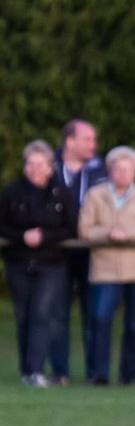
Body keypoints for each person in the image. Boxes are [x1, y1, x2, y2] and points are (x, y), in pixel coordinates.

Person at [78, 146, 135, 385]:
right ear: (110, 170)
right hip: (105, 269)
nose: (123, 174)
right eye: (119, 169)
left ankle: (129, 374)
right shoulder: (95, 196)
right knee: (100, 319)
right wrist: (107, 233)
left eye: (128, 169)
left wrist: (129, 234)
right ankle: (99, 373)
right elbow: (85, 230)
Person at [0, 140, 78, 387]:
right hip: (18, 262)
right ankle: (26, 369)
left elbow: (71, 228)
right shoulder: (11, 192)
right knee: (23, 316)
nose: (34, 169)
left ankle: (36, 370)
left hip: (51, 263)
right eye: (30, 163)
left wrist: (45, 236)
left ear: (50, 167)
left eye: (40, 164)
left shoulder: (61, 193)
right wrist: (21, 237)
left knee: (42, 314)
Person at [51, 119, 108, 384]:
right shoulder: (49, 167)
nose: (93, 145)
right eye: (87, 139)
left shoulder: (102, 170)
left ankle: (95, 373)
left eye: (94, 140)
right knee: (58, 313)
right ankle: (60, 371)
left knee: (93, 313)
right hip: (58, 252)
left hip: (91, 252)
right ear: (69, 141)